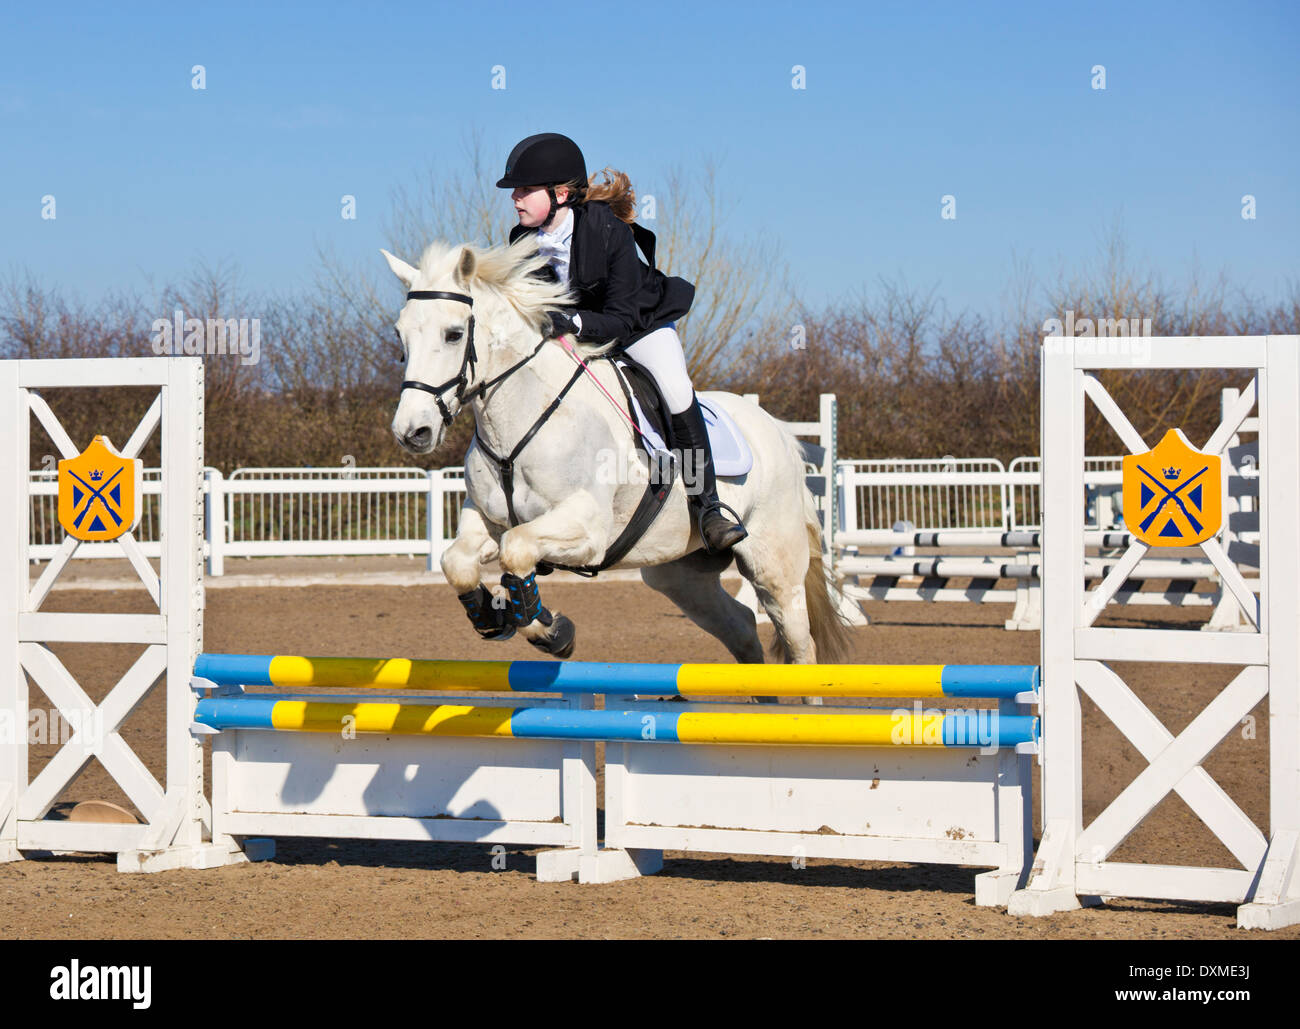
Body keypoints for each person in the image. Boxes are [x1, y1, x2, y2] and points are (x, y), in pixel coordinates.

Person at [496, 131, 747, 554]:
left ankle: (709, 508)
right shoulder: (521, 242)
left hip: (638, 327)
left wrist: (570, 320)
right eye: (515, 190)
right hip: (575, 336)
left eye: (524, 189)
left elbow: (620, 318)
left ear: (559, 193)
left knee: (674, 387)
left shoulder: (608, 232)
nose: (515, 197)